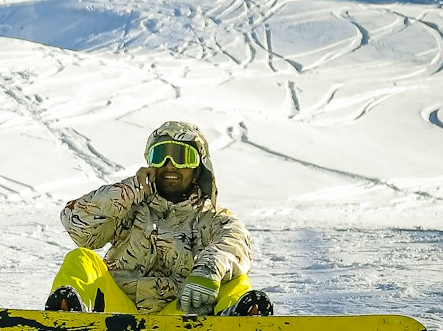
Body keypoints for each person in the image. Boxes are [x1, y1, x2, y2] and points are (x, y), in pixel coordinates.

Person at [44, 120, 273, 317]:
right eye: (160, 156)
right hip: (117, 317)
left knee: (236, 281)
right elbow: (76, 224)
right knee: (80, 259)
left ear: (198, 167)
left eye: (182, 157)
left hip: (182, 319)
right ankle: (68, 323)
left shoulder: (213, 218)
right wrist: (129, 190)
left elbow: (236, 243)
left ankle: (240, 326)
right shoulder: (129, 207)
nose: (170, 165)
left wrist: (208, 270)